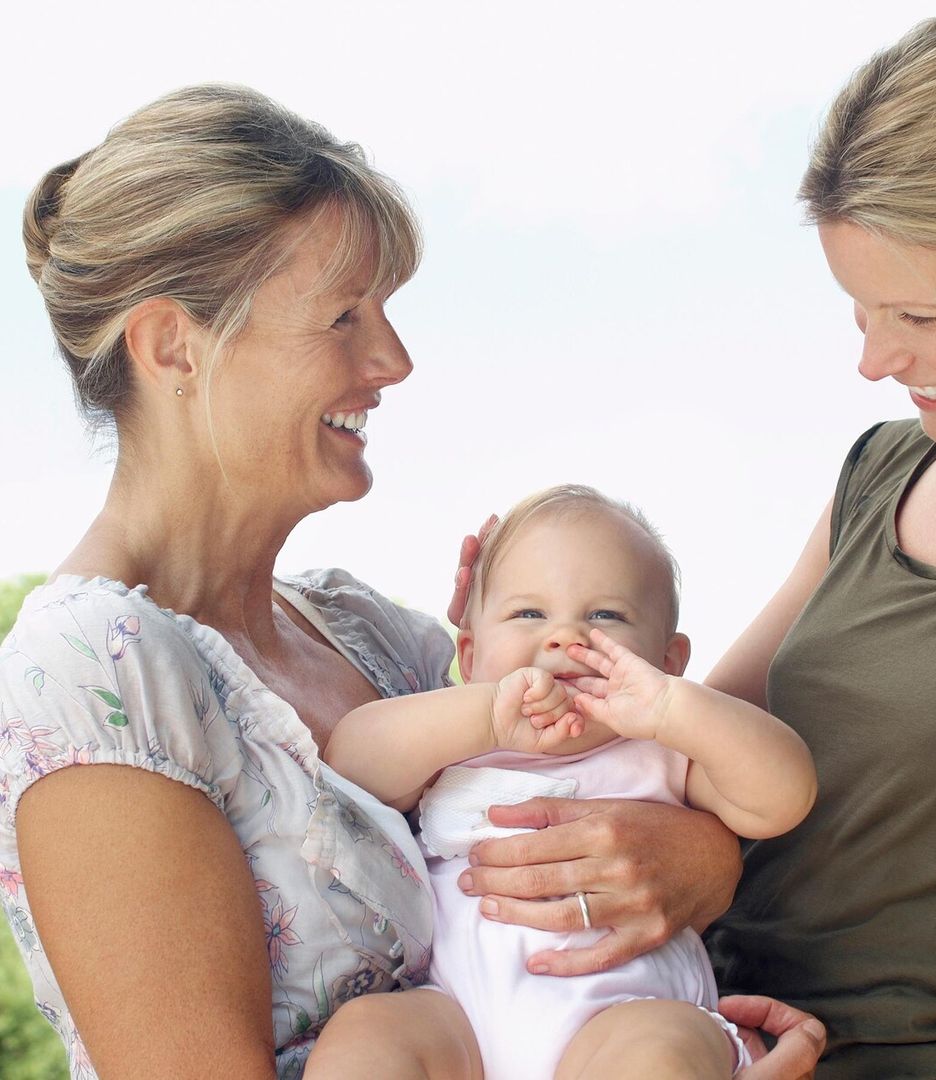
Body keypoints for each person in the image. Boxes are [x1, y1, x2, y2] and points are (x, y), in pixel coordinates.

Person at [0, 85, 824, 1078]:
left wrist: (697, 859)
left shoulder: (374, 633)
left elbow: (620, 792)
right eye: (344, 317)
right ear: (174, 346)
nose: (393, 359)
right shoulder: (93, 674)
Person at [448, 10, 936, 1077]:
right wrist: (502, 653)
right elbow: (684, 736)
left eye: (919, 315)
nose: (877, 360)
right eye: (859, 311)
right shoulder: (883, 477)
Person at [312, 485, 816, 1079]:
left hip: (623, 1016)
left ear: (669, 660)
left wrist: (675, 711)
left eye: (607, 615)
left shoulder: (662, 752)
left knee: (660, 1052)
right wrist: (482, 716)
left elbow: (783, 796)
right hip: (458, 1021)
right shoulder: (455, 740)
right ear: (469, 655)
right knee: (369, 1034)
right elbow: (351, 764)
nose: (564, 637)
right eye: (529, 613)